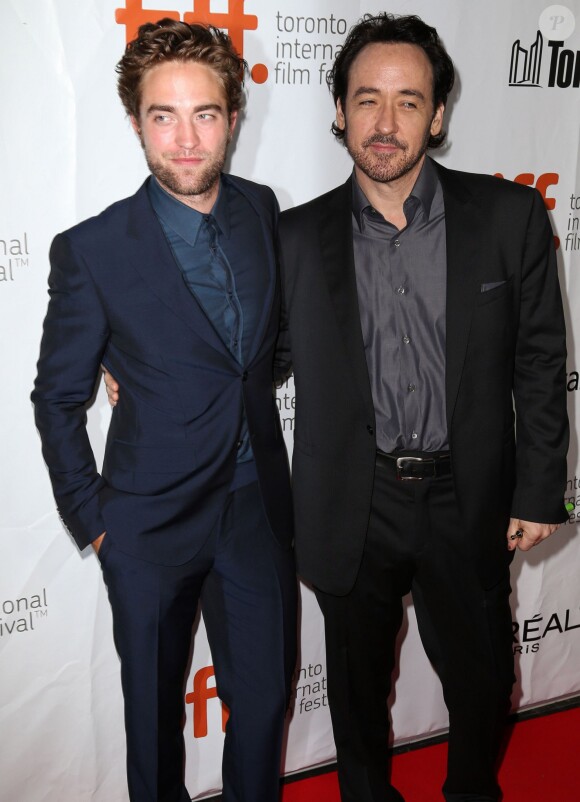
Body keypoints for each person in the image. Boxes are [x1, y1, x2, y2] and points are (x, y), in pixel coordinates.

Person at [275, 13, 569, 802]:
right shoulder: (294, 239)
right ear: (338, 110)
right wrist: (137, 362)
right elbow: (251, 358)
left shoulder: (509, 219)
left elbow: (541, 361)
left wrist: (542, 488)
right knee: (356, 698)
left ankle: (470, 791)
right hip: (351, 502)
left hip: (467, 497)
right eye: (366, 98)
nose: (385, 121)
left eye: (409, 101)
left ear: (438, 116)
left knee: (481, 686)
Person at [32, 19, 296, 802]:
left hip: (254, 512)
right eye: (163, 116)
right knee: (153, 721)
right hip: (145, 526)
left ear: (234, 119)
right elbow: (56, 399)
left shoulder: (261, 209)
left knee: (265, 705)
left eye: (205, 114)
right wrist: (97, 522)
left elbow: (267, 352)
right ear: (137, 121)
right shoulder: (93, 249)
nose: (185, 140)